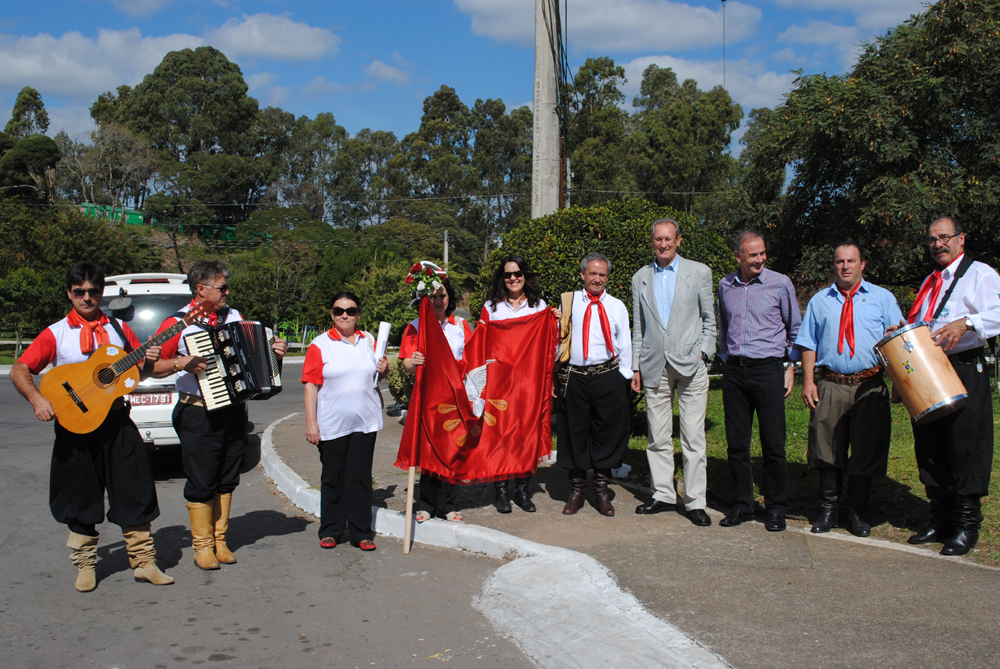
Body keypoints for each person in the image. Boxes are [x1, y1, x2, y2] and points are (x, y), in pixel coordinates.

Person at [11, 262, 173, 592]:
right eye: (79, 292)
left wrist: (150, 361)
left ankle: (144, 562)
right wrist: (37, 399)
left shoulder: (118, 329)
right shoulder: (56, 332)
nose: (87, 297)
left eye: (93, 291)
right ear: (69, 294)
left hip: (116, 421)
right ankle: (85, 565)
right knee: (78, 495)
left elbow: (137, 374)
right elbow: (19, 369)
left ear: (102, 293)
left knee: (135, 488)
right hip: (75, 426)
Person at [152, 260, 288, 570]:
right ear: (201, 289)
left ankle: (220, 540)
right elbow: (151, 367)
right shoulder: (177, 324)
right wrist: (179, 363)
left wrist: (274, 352)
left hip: (234, 410)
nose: (227, 292)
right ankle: (202, 546)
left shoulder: (234, 317)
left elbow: (252, 358)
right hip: (198, 411)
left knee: (227, 477)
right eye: (222, 287)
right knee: (202, 480)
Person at [903, 216, 1000, 555]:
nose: (938, 244)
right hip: (929, 370)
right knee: (931, 445)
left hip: (962, 367)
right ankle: (940, 518)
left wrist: (967, 323)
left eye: (944, 237)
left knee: (965, 445)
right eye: (932, 239)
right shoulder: (931, 281)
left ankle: (966, 524)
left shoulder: (980, 275)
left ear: (961, 238)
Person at [795, 243, 903, 537]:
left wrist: (899, 383)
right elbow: (808, 343)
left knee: (867, 448)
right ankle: (829, 509)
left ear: (862, 264)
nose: (845, 266)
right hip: (831, 384)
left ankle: (856, 510)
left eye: (851, 261)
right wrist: (808, 381)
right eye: (840, 261)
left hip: (869, 384)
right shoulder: (819, 301)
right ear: (833, 265)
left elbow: (898, 341)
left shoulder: (882, 298)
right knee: (826, 447)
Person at [630, 219, 716, 526]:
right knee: (657, 436)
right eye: (658, 239)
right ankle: (664, 494)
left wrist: (704, 353)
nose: (663, 244)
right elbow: (639, 326)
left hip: (691, 364)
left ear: (678, 240)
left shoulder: (699, 272)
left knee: (693, 436)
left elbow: (709, 318)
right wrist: (636, 366)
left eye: (668, 239)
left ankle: (695, 502)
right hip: (654, 364)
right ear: (651, 242)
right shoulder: (640, 277)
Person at [717, 231, 801, 532]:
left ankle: (776, 508)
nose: (760, 259)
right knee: (737, 444)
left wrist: (790, 366)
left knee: (773, 444)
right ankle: (742, 504)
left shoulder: (780, 283)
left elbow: (795, 328)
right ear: (738, 256)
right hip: (735, 372)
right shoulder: (725, 285)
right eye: (752, 255)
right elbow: (723, 325)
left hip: (768, 370)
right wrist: (725, 357)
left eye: (762, 253)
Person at [303, 292, 388, 551]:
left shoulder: (369, 341)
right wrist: (311, 421)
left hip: (365, 421)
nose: (344, 315)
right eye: (338, 310)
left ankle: (361, 532)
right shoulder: (319, 345)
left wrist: (383, 370)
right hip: (331, 422)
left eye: (350, 310)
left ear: (358, 314)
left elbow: (377, 377)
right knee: (333, 476)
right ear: (332, 314)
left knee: (359, 476)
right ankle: (331, 529)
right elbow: (310, 385)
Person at [557, 253, 633, 517]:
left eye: (602, 274)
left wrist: (624, 376)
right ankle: (577, 490)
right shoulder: (568, 303)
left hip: (607, 375)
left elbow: (625, 341)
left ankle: (601, 490)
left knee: (607, 432)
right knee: (575, 433)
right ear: (583, 274)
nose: (597, 279)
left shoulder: (616, 306)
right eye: (592, 273)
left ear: (607, 277)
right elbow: (557, 337)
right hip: (575, 376)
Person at [480, 254, 552, 514]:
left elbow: (547, 345)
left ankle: (523, 491)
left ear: (525, 275)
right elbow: (481, 343)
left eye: (517, 273)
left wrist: (553, 322)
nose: (513, 278)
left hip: (528, 383)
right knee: (499, 435)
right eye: (508, 274)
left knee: (525, 434)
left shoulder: (539, 306)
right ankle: (501, 491)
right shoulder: (491, 308)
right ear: (502, 278)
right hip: (499, 383)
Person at [400, 274, 473, 523]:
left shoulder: (460, 326)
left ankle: (447, 504)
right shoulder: (415, 326)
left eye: (442, 295)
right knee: (429, 451)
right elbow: (407, 364)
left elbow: (472, 359)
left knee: (453, 450)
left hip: (456, 399)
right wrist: (414, 361)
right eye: (432, 297)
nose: (438, 301)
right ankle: (427, 504)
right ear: (424, 299)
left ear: (449, 297)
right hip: (428, 399)